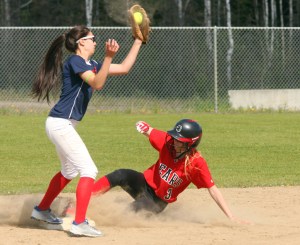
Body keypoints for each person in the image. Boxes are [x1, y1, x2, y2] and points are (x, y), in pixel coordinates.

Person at [31, 25, 143, 237]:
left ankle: (42, 210)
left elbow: (125, 68)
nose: (95, 41)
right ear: (81, 42)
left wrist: (138, 41)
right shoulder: (75, 61)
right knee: (89, 170)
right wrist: (109, 57)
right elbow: (97, 83)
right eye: (92, 38)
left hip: (63, 124)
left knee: (70, 171)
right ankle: (79, 223)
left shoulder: (91, 64)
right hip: (60, 123)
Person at [91, 119, 246, 223]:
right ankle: (86, 198)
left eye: (180, 141)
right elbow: (151, 131)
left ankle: (95, 219)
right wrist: (144, 127)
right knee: (121, 174)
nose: (175, 142)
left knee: (131, 211)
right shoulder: (168, 143)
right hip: (144, 183)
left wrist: (231, 216)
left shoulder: (196, 164)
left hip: (156, 201)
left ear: (191, 144)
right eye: (175, 137)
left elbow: (213, 189)